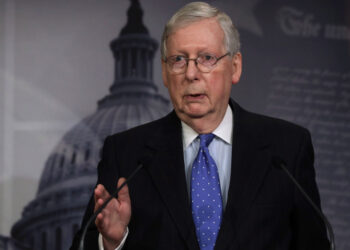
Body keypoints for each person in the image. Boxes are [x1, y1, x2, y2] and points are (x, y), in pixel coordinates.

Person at [71, 2, 330, 250]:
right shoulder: (126, 153)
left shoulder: (286, 148)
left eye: (206, 58)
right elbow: (82, 245)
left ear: (235, 67)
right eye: (178, 60)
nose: (191, 74)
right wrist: (112, 243)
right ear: (164, 72)